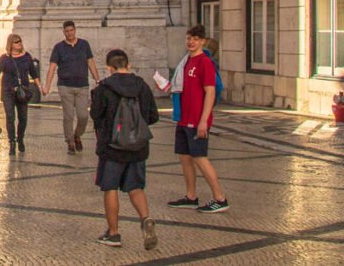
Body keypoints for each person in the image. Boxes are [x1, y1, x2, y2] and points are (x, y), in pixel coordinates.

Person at [90, 49, 160, 249]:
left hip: (112, 147)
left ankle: (113, 234)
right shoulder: (142, 87)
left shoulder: (104, 88)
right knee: (136, 187)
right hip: (138, 147)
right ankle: (145, 219)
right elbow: (153, 116)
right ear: (128, 65)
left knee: (110, 188)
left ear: (109, 68)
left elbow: (96, 116)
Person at [167, 25, 229, 214]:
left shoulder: (205, 63)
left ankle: (220, 198)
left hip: (197, 119)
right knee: (185, 157)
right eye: (188, 38)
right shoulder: (186, 62)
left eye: (195, 38)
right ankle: (191, 196)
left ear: (202, 41)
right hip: (184, 118)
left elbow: (210, 91)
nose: (191, 42)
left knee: (200, 158)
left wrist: (204, 120)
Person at [42, 20, 101, 154]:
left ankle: (77, 135)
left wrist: (97, 80)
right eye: (67, 31)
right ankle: (70, 142)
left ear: (75, 30)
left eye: (71, 30)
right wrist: (47, 86)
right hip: (65, 86)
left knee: (83, 116)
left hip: (82, 86)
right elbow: (52, 68)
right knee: (68, 116)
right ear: (64, 32)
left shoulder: (84, 45)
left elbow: (90, 62)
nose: (69, 33)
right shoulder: (59, 47)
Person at [0, 34, 41, 155]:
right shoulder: (4, 58)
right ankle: (12, 142)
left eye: (20, 41)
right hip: (8, 91)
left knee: (23, 118)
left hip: (22, 92)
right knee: (10, 117)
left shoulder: (27, 57)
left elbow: (34, 74)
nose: (19, 43)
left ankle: (20, 138)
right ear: (10, 44)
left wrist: (40, 87)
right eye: (16, 42)